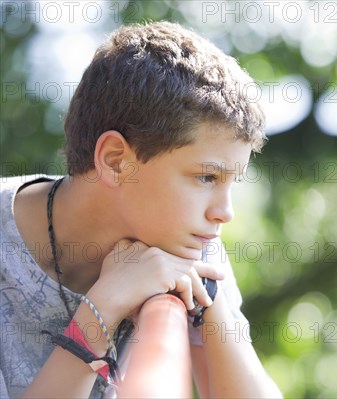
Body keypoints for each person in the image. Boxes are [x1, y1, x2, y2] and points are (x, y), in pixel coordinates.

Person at [0, 21, 282, 398]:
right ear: (117, 162)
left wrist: (208, 308)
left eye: (233, 182)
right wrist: (103, 308)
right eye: (206, 178)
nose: (224, 213)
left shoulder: (188, 243)